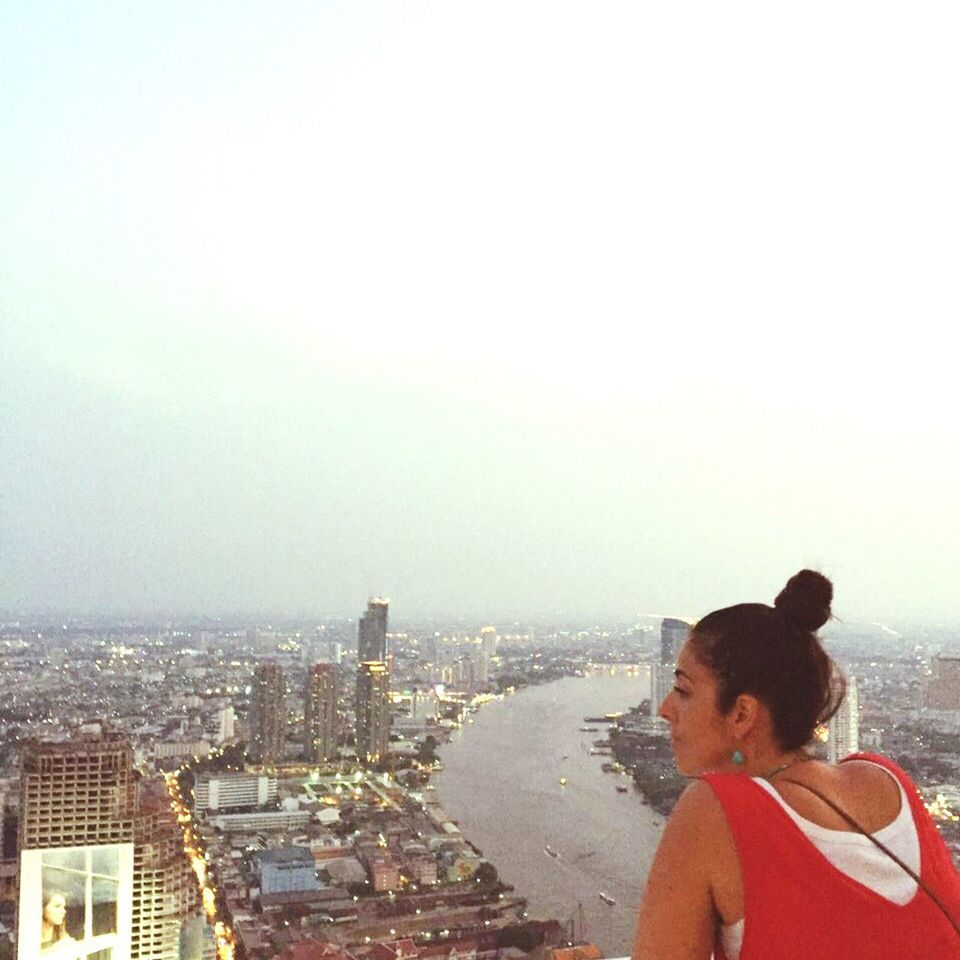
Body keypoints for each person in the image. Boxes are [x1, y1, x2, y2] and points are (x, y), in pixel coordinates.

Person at [633, 570, 960, 959]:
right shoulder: (887, 781)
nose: (666, 710)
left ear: (741, 715)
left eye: (683, 690)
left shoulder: (713, 811)